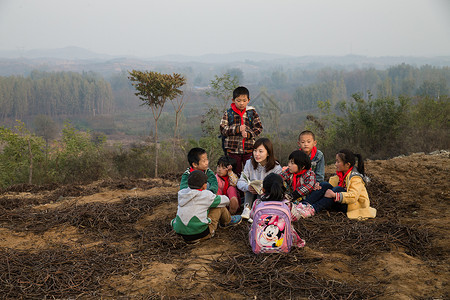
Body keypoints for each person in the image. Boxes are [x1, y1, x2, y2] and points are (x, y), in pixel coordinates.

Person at [292, 149, 377, 220]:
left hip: (353, 206)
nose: (335, 164)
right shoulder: (340, 175)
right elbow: (328, 189)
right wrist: (319, 186)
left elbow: (353, 196)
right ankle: (303, 205)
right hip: (341, 202)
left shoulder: (355, 178)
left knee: (337, 190)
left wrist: (335, 195)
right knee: (325, 185)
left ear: (347, 164)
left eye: (338, 162)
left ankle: (312, 209)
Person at [171, 170, 242, 244]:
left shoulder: (182, 194)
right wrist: (215, 197)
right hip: (200, 234)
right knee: (219, 206)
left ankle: (185, 229)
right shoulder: (205, 195)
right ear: (204, 185)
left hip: (180, 234)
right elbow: (226, 201)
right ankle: (227, 221)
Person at [249, 173, 305, 251]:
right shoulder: (287, 204)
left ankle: (257, 246)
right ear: (282, 188)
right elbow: (296, 217)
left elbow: (252, 216)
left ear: (263, 189)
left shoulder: (258, 203)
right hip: (282, 242)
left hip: (260, 241)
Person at [219, 86, 263, 176]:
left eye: (244, 100)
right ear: (233, 100)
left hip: (249, 149)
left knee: (251, 173)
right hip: (233, 151)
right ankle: (236, 190)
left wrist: (249, 134)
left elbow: (259, 128)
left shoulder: (252, 112)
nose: (241, 103)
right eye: (238, 101)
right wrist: (237, 129)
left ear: (248, 100)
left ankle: (250, 189)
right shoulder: (229, 113)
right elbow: (222, 129)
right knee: (235, 173)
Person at [237, 138, 282, 219]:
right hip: (251, 195)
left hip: (266, 196)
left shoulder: (276, 167)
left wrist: (264, 189)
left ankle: (257, 210)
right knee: (251, 185)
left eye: (260, 151)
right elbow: (240, 182)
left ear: (268, 153)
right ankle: (247, 209)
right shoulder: (249, 163)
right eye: (255, 150)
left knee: (262, 189)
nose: (256, 154)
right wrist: (248, 187)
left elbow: (278, 186)